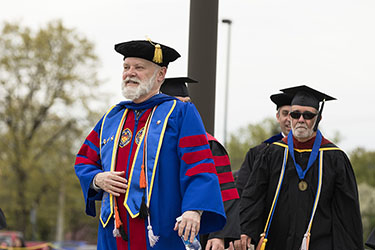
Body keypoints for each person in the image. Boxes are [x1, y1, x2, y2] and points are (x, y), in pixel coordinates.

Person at [74, 40, 226, 250]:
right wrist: (96, 179)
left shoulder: (180, 113)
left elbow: (198, 164)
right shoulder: (112, 118)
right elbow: (84, 160)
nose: (130, 73)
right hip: (114, 233)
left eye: (139, 68)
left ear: (160, 75)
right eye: (126, 67)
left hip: (161, 231)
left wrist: (195, 209)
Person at [239, 85, 363, 250]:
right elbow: (254, 197)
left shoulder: (334, 158)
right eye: (295, 114)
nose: (301, 120)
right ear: (290, 117)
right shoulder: (272, 153)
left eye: (308, 115)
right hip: (276, 243)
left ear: (318, 118)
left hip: (320, 244)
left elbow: (346, 214)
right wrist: (246, 230)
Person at [161, 77, 241, 250]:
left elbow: (225, 191)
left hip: (198, 230)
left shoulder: (208, 144)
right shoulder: (149, 144)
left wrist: (219, 235)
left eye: (187, 103)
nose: (184, 108)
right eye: (178, 103)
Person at [235, 92, 292, 198]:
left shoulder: (314, 151)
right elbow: (243, 189)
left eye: (293, 114)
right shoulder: (260, 151)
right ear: (278, 117)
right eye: (285, 113)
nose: (289, 119)